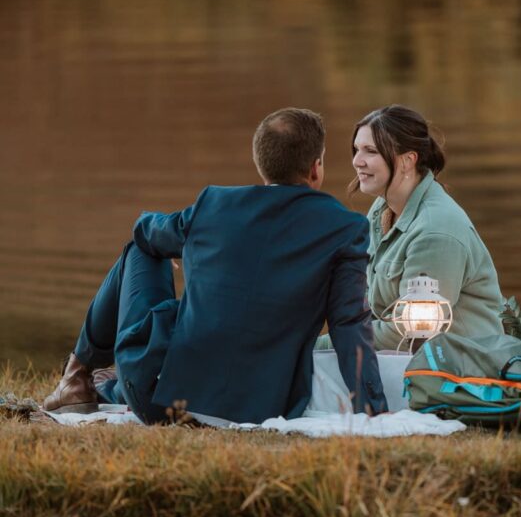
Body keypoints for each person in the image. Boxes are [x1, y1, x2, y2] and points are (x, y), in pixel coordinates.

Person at [43, 108, 387, 424]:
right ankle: (102, 382)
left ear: (261, 165)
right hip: (264, 406)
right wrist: (373, 411)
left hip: (161, 400)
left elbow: (146, 231)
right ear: (315, 167)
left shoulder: (216, 204)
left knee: (140, 249)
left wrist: (185, 244)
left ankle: (77, 375)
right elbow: (348, 323)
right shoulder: (345, 228)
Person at [350, 104, 504, 349]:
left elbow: (410, 331)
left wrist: (328, 343)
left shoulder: (436, 231)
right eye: (357, 150)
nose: (358, 161)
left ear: (408, 160)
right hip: (403, 361)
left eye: (371, 151)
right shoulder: (382, 210)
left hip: (460, 372)